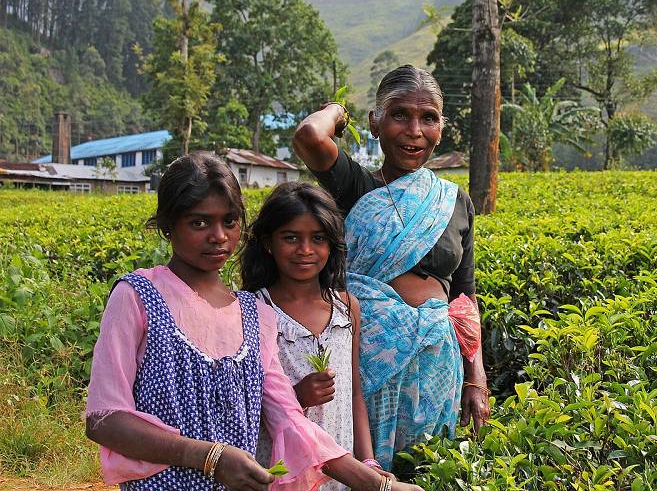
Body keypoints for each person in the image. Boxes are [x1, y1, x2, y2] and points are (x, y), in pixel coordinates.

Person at [85, 152, 422, 491]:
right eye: (199, 223)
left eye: (230, 221)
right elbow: (104, 419)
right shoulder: (138, 296)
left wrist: (381, 486)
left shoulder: (253, 314)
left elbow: (290, 420)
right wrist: (210, 457)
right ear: (168, 225)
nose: (218, 236)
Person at [293, 65, 490, 469]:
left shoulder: (454, 201)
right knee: (365, 472)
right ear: (375, 123)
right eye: (399, 115)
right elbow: (310, 135)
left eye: (428, 118)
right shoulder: (354, 186)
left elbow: (464, 298)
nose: (414, 131)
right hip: (364, 367)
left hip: (437, 366)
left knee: (427, 470)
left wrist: (477, 377)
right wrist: (336, 111)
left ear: (441, 128)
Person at [239, 182, 384, 490]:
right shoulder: (252, 310)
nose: (305, 250)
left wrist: (369, 464)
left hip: (343, 473)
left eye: (318, 238)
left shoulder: (346, 307)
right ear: (268, 243)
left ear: (331, 245)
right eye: (291, 238)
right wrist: (297, 396)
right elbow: (245, 405)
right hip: (283, 474)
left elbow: (354, 394)